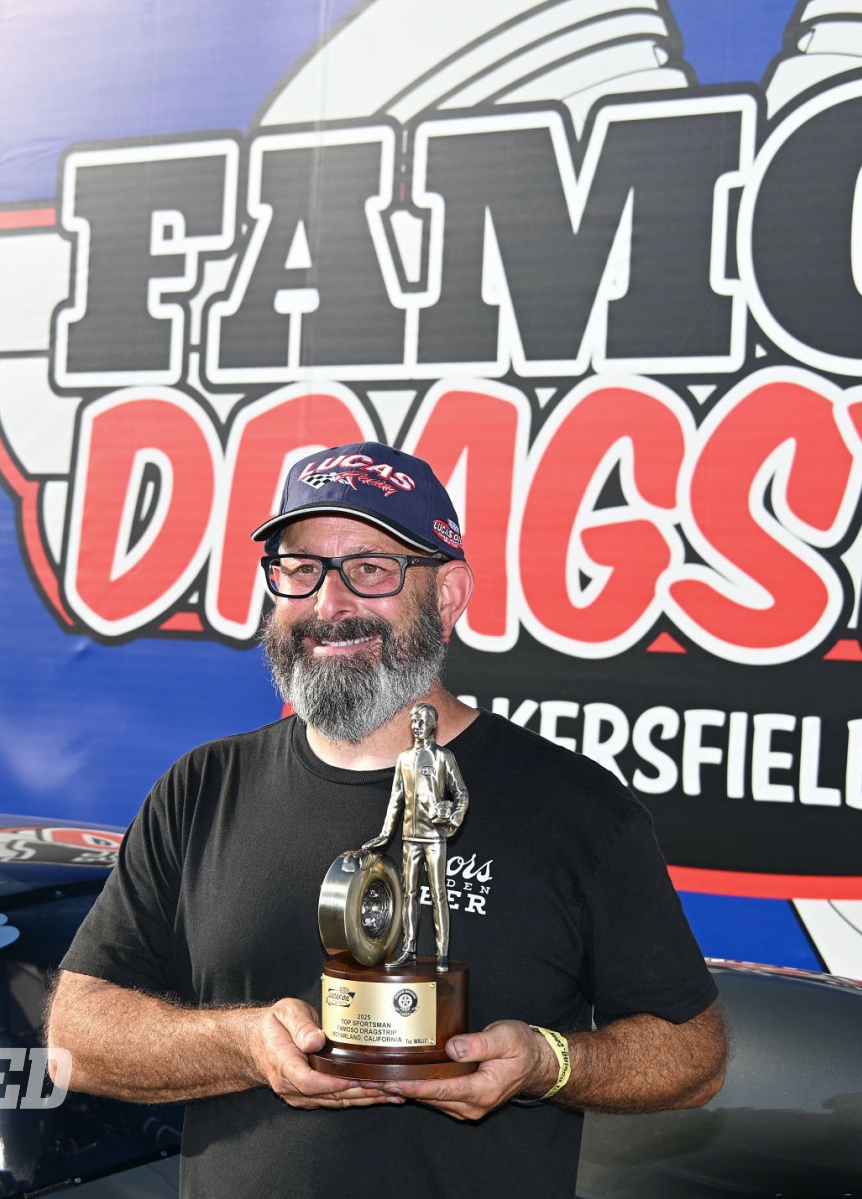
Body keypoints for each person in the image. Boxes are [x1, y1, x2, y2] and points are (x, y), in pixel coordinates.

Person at [47, 442, 726, 1199]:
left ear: (449, 595)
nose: (329, 605)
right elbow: (78, 1034)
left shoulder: (576, 808)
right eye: (300, 569)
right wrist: (242, 1044)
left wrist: (547, 1063)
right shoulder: (201, 789)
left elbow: (693, 1054)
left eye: (371, 569)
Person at [366, 702, 469, 970]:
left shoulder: (444, 757)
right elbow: (395, 799)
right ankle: (409, 950)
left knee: (439, 895)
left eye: (422, 721)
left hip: (434, 837)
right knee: (408, 893)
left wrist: (452, 819)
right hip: (410, 837)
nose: (417, 726)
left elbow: (461, 793)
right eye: (414, 721)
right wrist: (385, 833)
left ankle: (442, 955)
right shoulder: (404, 758)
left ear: (433, 724)